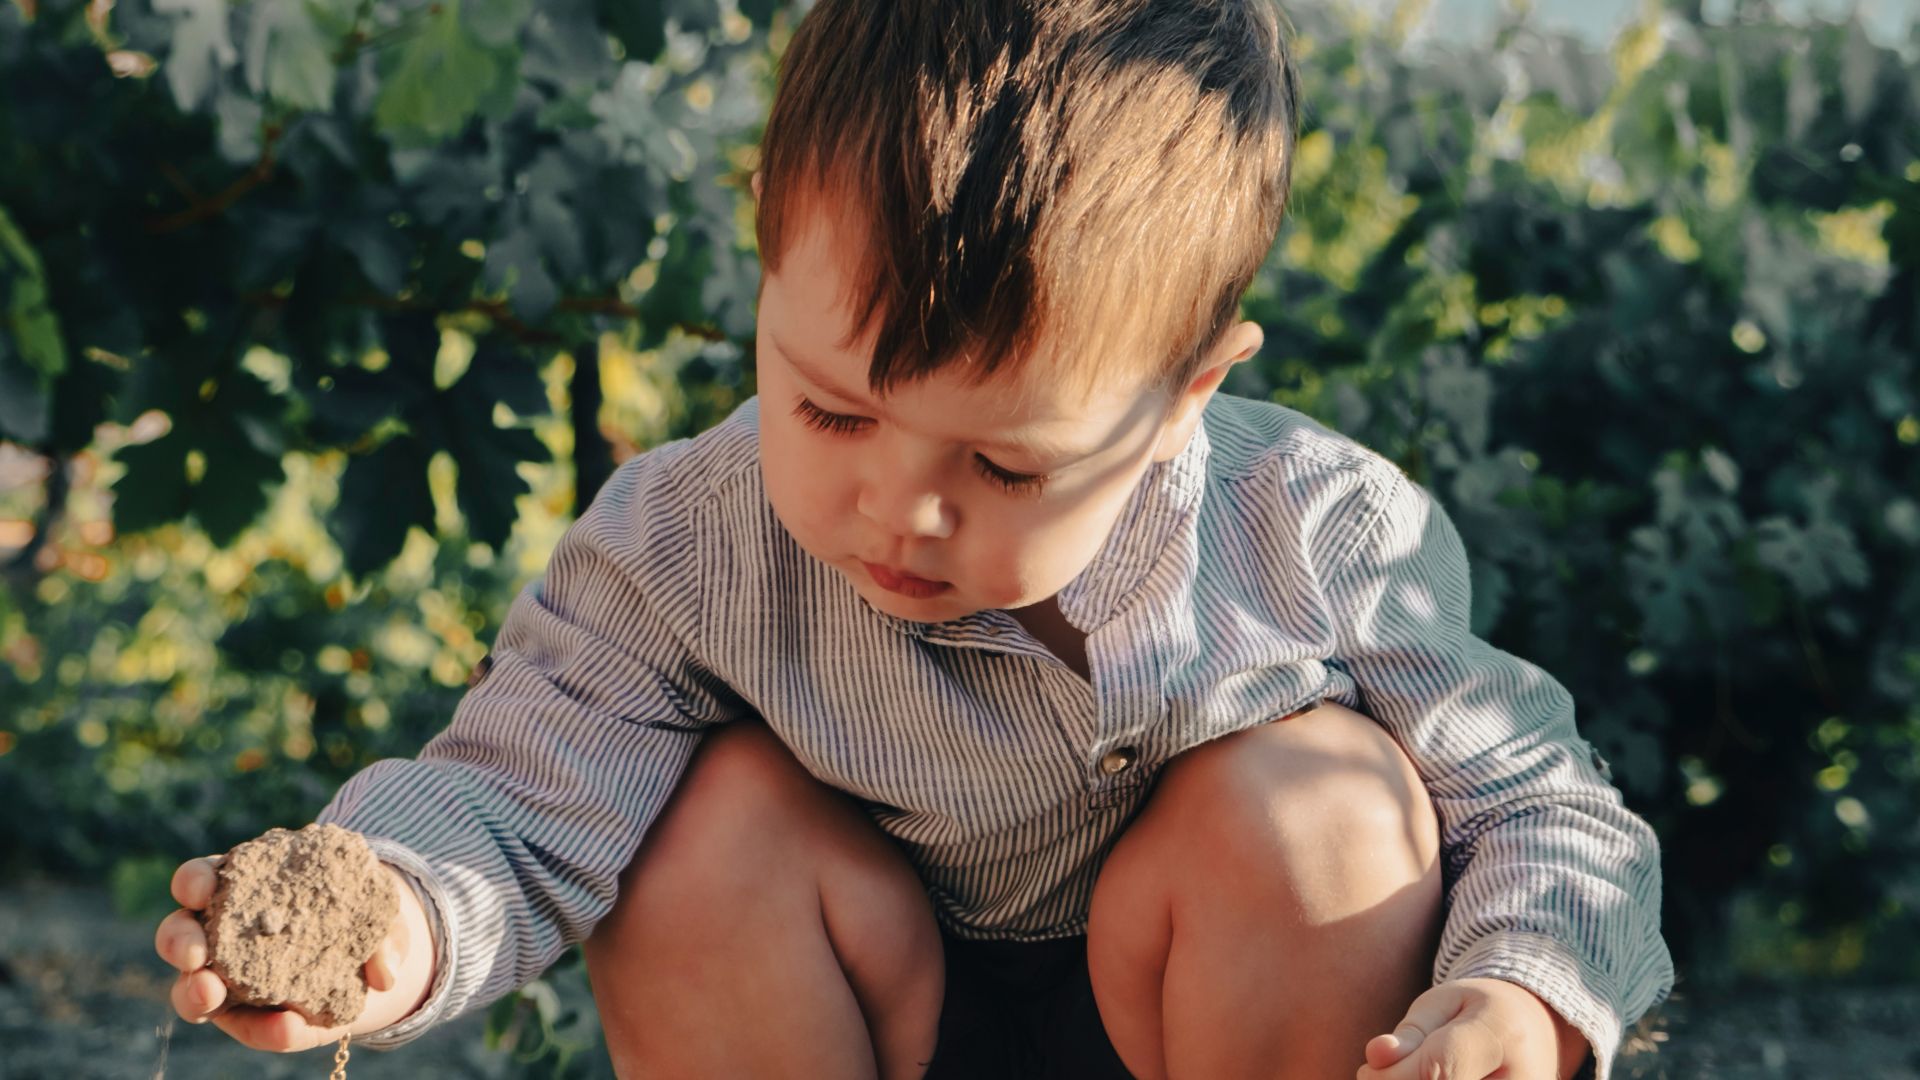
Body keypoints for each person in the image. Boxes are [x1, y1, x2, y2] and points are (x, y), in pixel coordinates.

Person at [154, 1, 1675, 1076]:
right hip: (867, 1019)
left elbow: (1548, 810)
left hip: (1214, 1026)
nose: (901, 507)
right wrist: (396, 919)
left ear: (1185, 397)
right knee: (696, 827)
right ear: (765, 281)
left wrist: (1521, 1000)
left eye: (1006, 464)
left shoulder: (1315, 531)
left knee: (1320, 802)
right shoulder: (687, 546)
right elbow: (520, 792)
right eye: (831, 412)